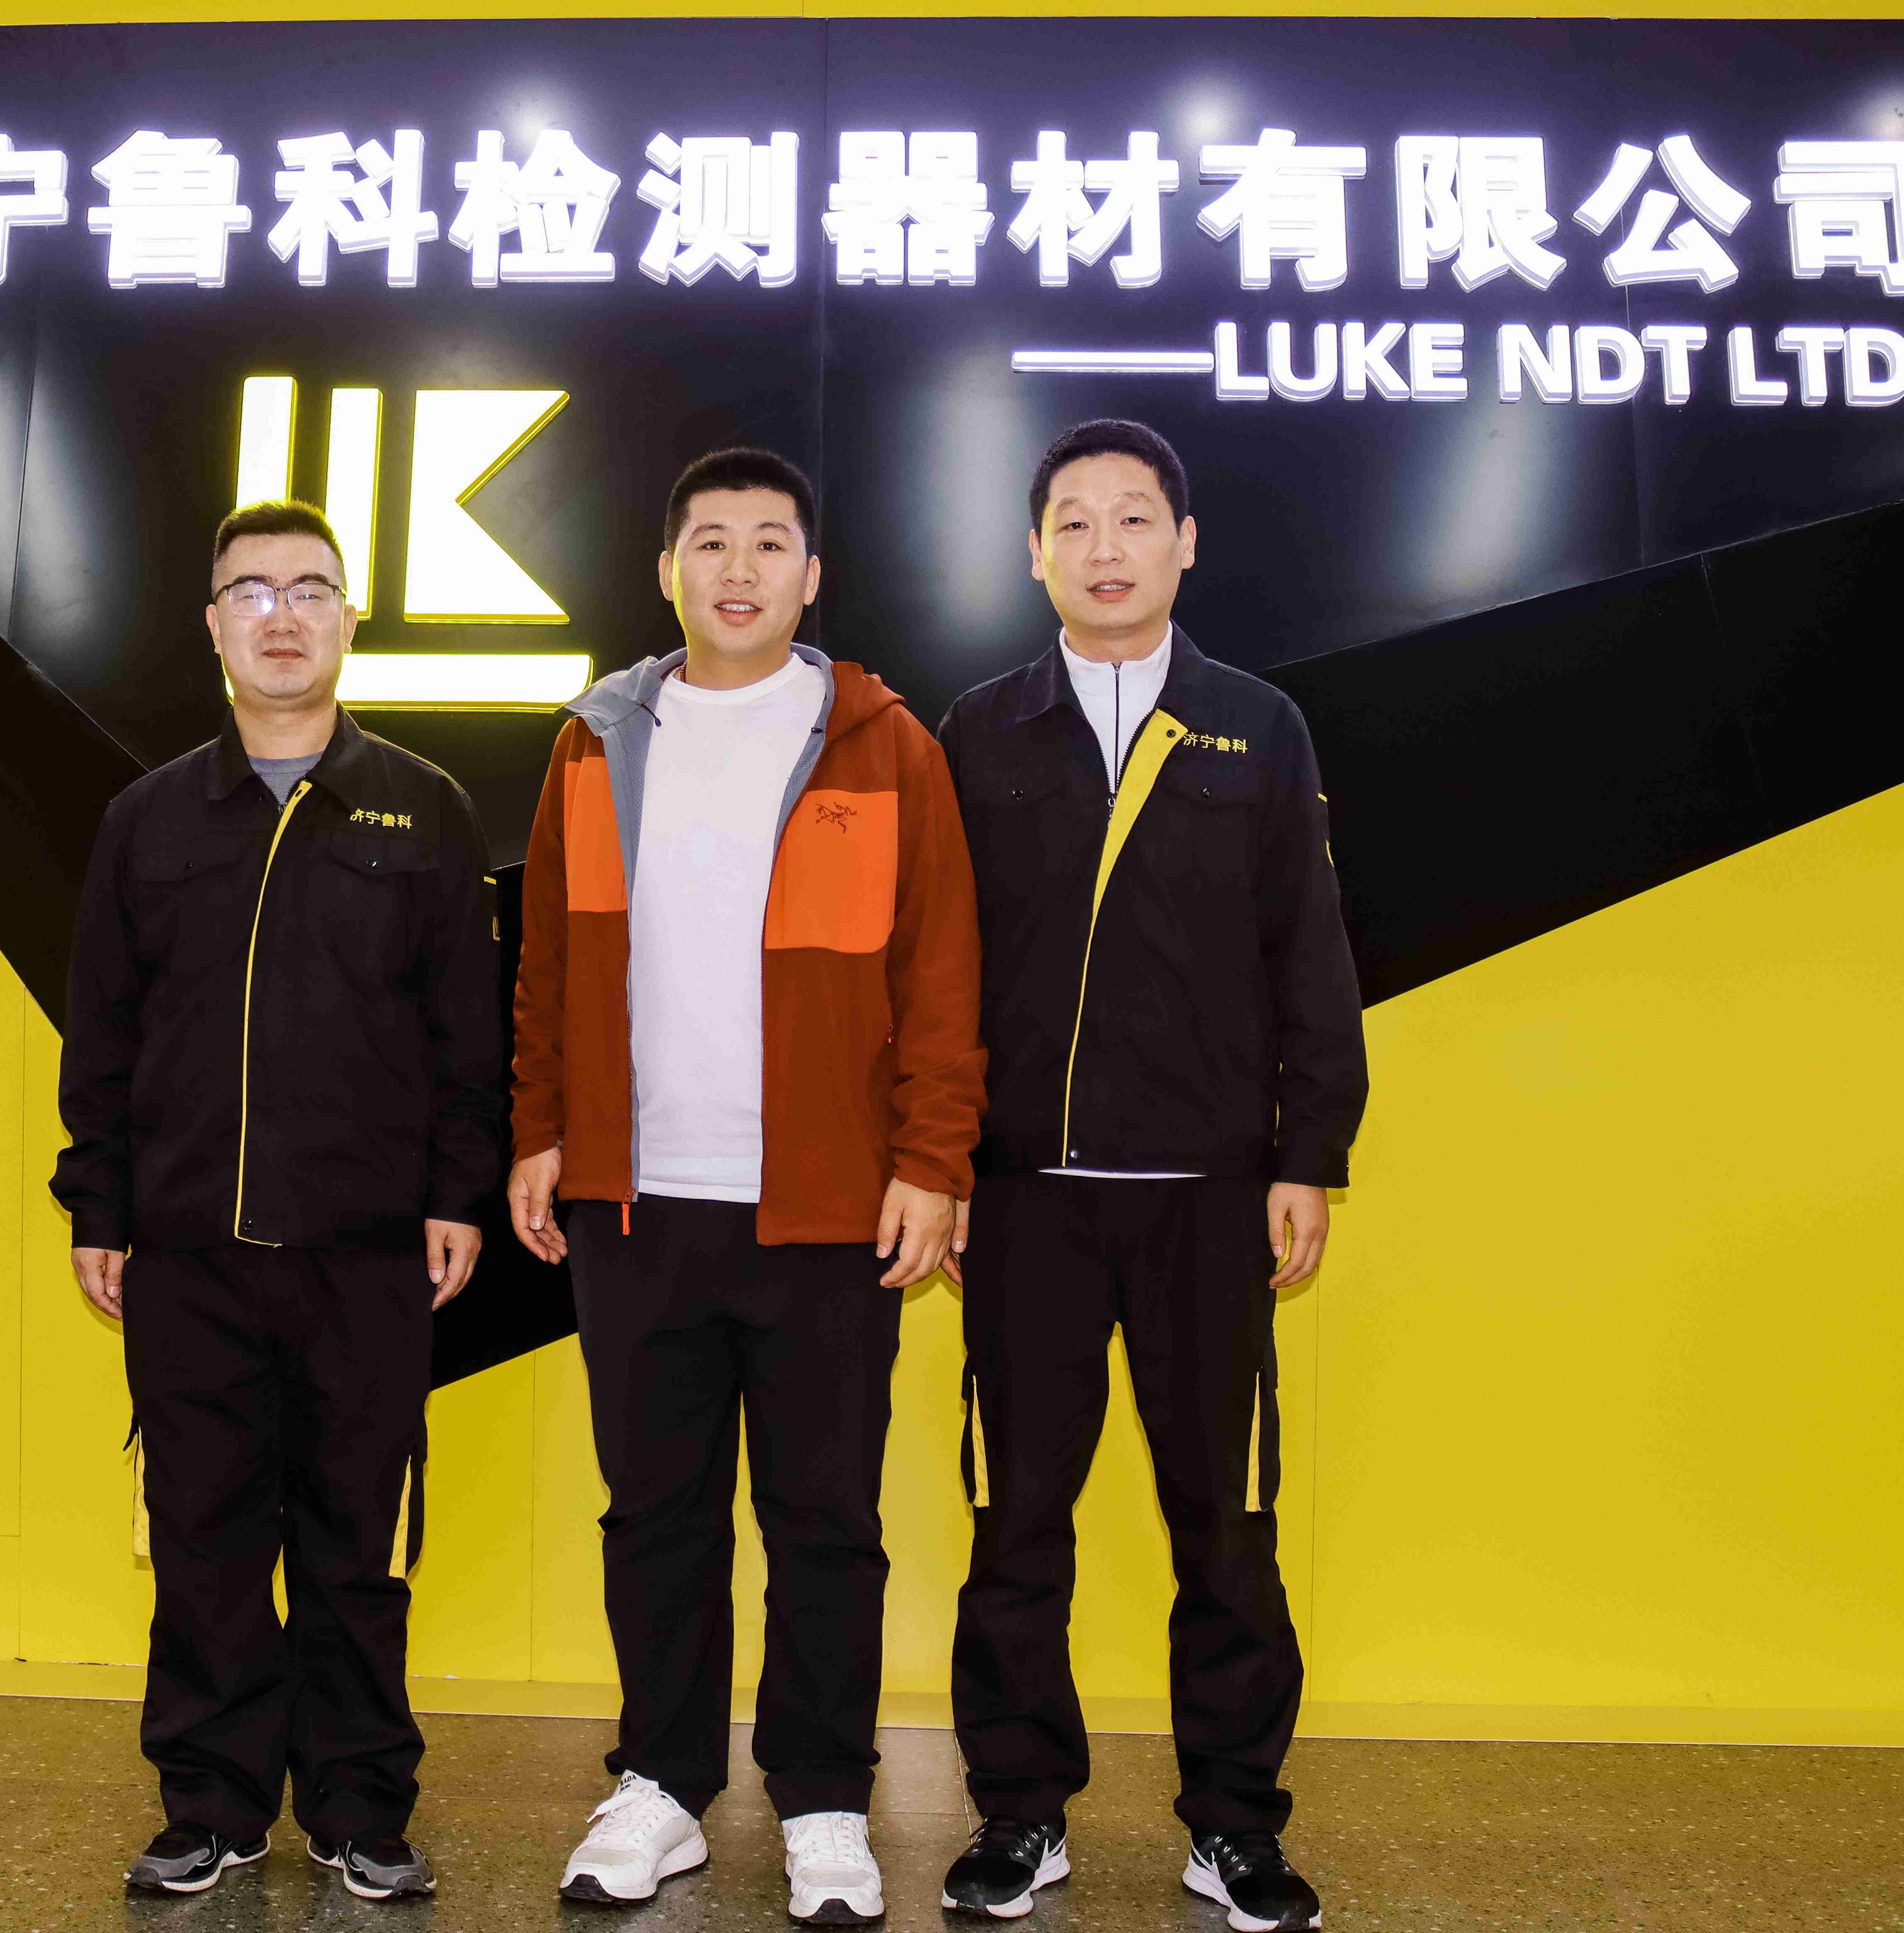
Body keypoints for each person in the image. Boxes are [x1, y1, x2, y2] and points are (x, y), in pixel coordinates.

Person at [506, 448, 985, 1924]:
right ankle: (661, 1786)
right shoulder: (593, 742)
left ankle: (825, 1799)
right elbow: (546, 963)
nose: (738, 568)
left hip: (826, 1210)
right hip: (636, 1202)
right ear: (667, 571)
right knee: (656, 1513)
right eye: (709, 541)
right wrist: (541, 1130)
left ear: (812, 576)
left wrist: (932, 1162)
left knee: (825, 1519)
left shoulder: (887, 746)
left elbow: (944, 974)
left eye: (770, 542)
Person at [932, 420, 1366, 1931]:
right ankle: (1019, 1813)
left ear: (1185, 543)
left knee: (1225, 1529)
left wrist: (1309, 1154)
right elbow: (938, 971)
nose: (1104, 547)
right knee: (1017, 1525)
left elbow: (1310, 951)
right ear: (1033, 553)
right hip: (1025, 1198)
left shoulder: (1257, 724)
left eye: (1134, 518)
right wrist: (939, 1163)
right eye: (1074, 521)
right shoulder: (978, 730)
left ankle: (1235, 1826)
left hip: (1209, 1195)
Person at [51, 499, 503, 1903]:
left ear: (350, 617)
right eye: (252, 591)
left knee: (356, 1549)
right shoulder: (148, 818)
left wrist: (457, 1193)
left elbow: (467, 1033)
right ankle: (212, 1804)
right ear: (213, 625)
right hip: (189, 1256)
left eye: (311, 589)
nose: (283, 615)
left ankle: (361, 1808)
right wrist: (100, 1203)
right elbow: (103, 1030)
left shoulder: (423, 808)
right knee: (205, 1546)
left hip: (365, 1259)